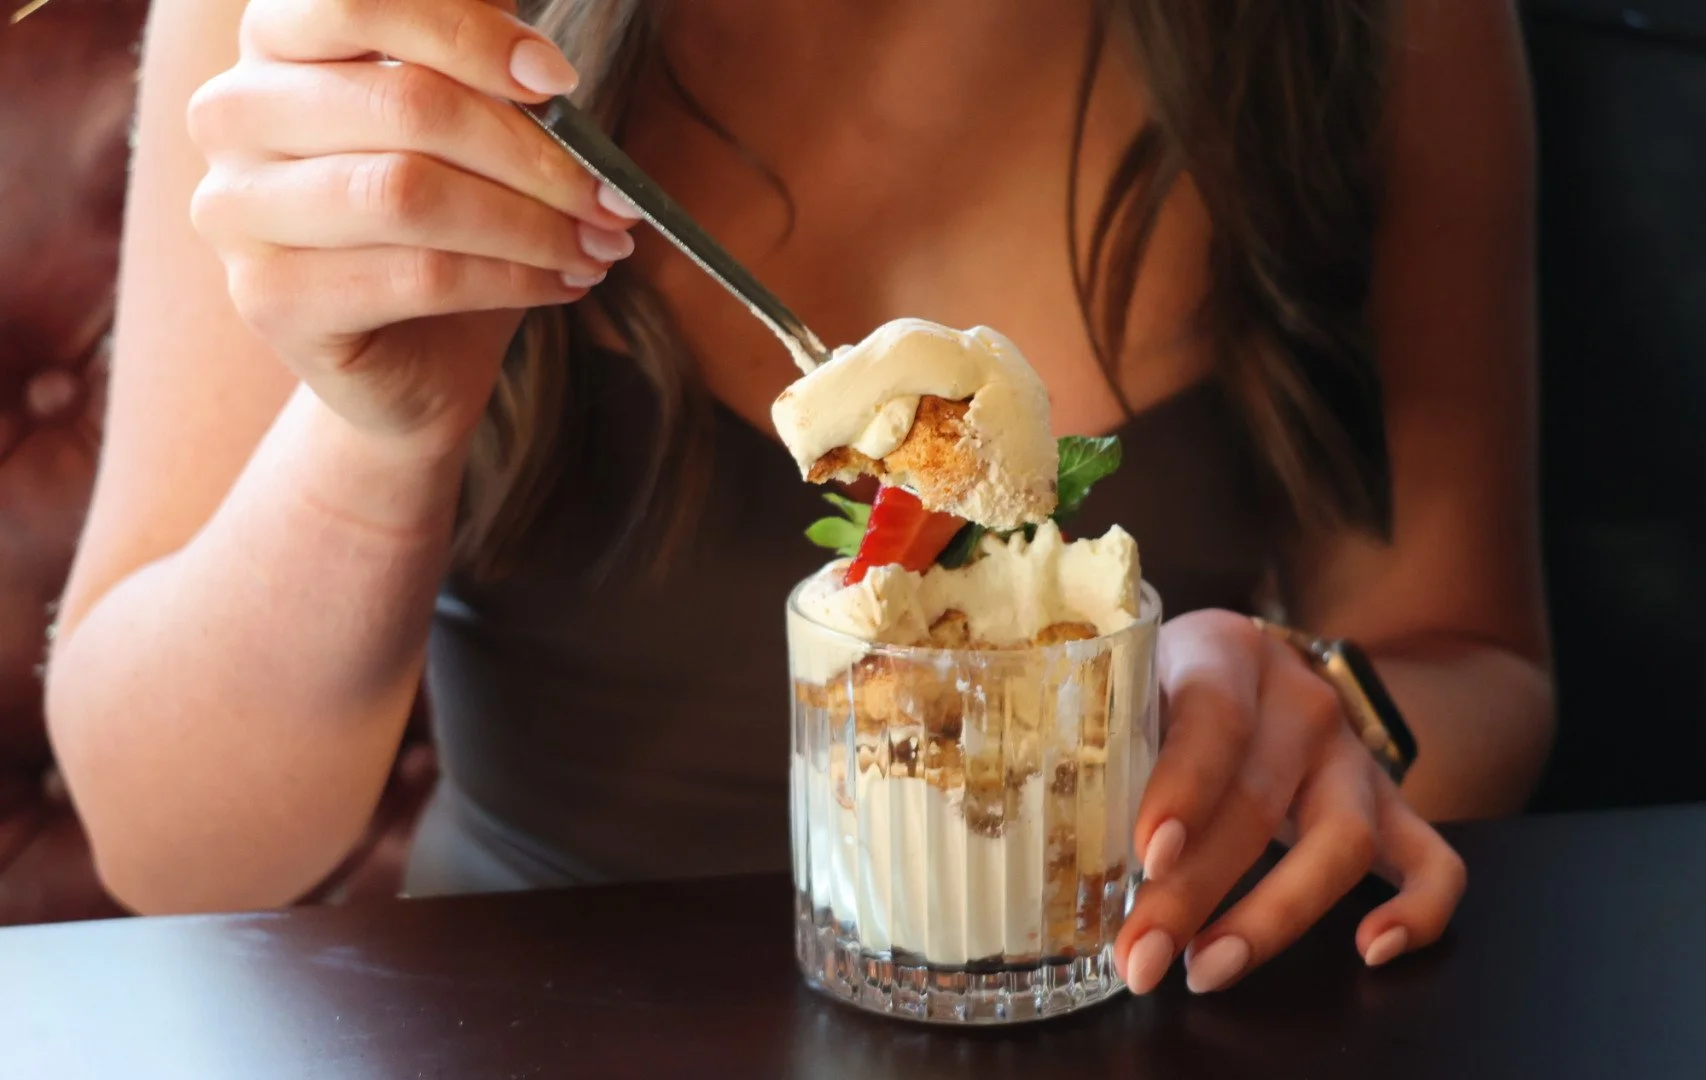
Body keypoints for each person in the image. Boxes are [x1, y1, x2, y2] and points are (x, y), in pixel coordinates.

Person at [45, 0, 1552, 996]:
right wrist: (379, 441)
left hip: (1109, 1013)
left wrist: (1313, 711)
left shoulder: (1364, 31)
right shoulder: (349, 32)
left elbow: (1479, 664)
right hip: (519, 1029)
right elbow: (176, 849)